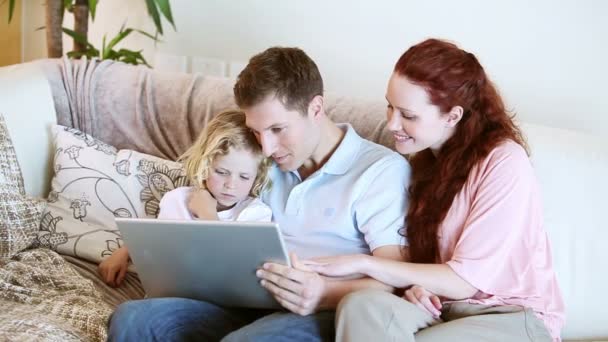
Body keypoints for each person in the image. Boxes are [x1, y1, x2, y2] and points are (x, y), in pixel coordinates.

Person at [107, 46, 411, 342]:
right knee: (132, 318)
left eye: (278, 129)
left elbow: (392, 280)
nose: (266, 147)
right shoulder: (260, 161)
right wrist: (130, 249)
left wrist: (322, 295)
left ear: (316, 108)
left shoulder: (380, 171)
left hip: (319, 312)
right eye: (256, 131)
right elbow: (204, 201)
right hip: (241, 302)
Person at [305, 38, 565, 341]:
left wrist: (364, 263)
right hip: (445, 311)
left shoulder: (505, 162)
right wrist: (420, 286)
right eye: (390, 107)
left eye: (408, 115)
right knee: (360, 306)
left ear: (453, 116)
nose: (391, 124)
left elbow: (465, 280)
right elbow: (428, 263)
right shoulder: (422, 162)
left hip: (512, 316)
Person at [98, 110, 272, 288]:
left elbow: (237, 267)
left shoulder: (256, 214)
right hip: (177, 293)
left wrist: (208, 215)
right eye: (221, 172)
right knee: (129, 314)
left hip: (224, 298)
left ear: (257, 177)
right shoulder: (177, 200)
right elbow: (161, 242)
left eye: (244, 177)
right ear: (204, 165)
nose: (231, 185)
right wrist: (125, 252)